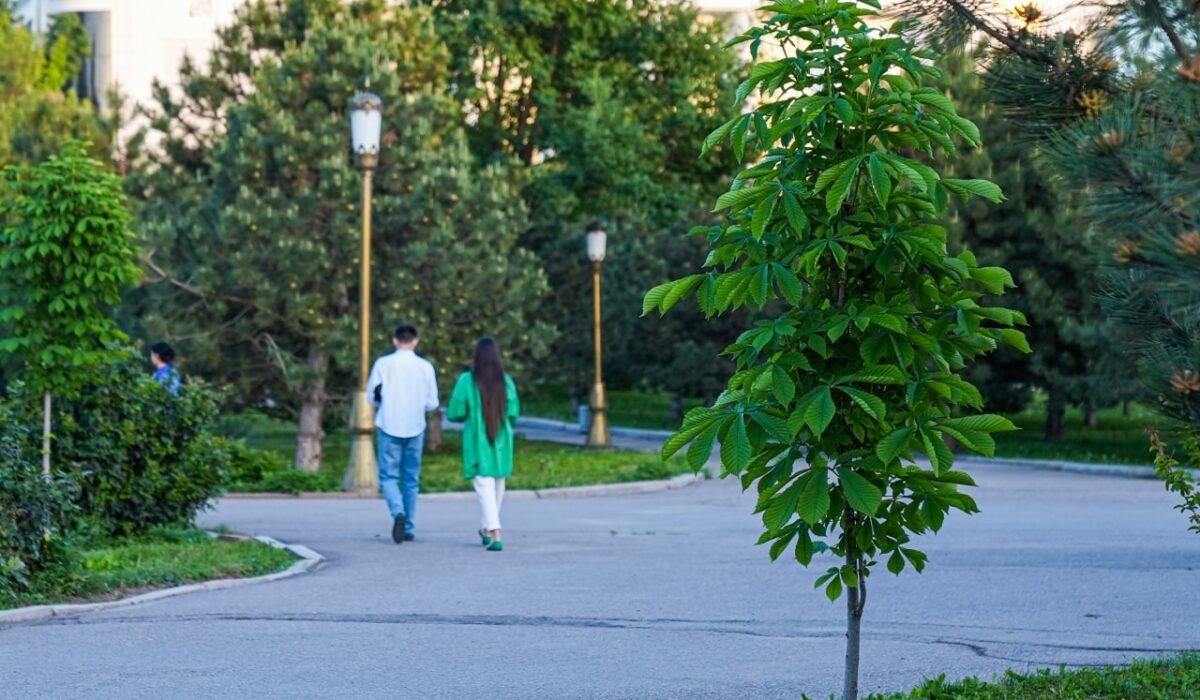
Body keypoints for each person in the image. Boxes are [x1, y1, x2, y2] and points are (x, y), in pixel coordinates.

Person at [367, 324, 439, 544]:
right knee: (411, 479)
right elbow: (432, 403)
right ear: (415, 341)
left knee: (388, 477)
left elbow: (372, 396)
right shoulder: (425, 367)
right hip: (415, 426)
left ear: (395, 340)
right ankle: (408, 526)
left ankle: (397, 511)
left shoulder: (383, 364)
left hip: (389, 424)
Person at [447, 337, 520, 552]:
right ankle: (486, 529)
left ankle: (496, 533)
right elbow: (514, 412)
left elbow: (455, 412)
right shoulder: (506, 381)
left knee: (484, 485)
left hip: (477, 440)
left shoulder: (466, 381)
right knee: (498, 484)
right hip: (502, 439)